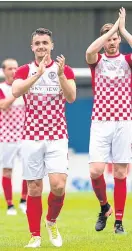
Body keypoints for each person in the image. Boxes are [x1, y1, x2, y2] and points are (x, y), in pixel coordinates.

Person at [12, 28, 76, 248]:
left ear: (52, 45)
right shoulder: (24, 70)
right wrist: (37, 75)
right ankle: (35, 236)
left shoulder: (64, 69)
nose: (41, 46)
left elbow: (72, 97)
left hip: (57, 136)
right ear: (32, 47)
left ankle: (51, 221)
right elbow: (16, 91)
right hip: (31, 136)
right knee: (34, 188)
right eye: (37, 43)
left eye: (45, 43)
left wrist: (59, 76)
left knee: (58, 186)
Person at [85, 7, 132, 234]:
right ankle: (104, 207)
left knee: (121, 173)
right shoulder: (97, 61)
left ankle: (119, 223)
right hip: (101, 121)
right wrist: (113, 27)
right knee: (95, 171)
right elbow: (89, 50)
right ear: (103, 42)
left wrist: (123, 29)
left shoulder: (127, 60)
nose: (112, 42)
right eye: (109, 39)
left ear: (119, 40)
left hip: (124, 121)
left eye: (115, 39)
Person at [0, 58, 27, 215]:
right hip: (6, 136)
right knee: (7, 170)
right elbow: (3, 105)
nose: (14, 71)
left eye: (16, 68)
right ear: (4, 71)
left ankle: (24, 201)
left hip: (24, 135)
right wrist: (17, 93)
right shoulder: (2, 88)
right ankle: (10, 205)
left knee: (28, 169)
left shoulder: (24, 87)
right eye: (10, 68)